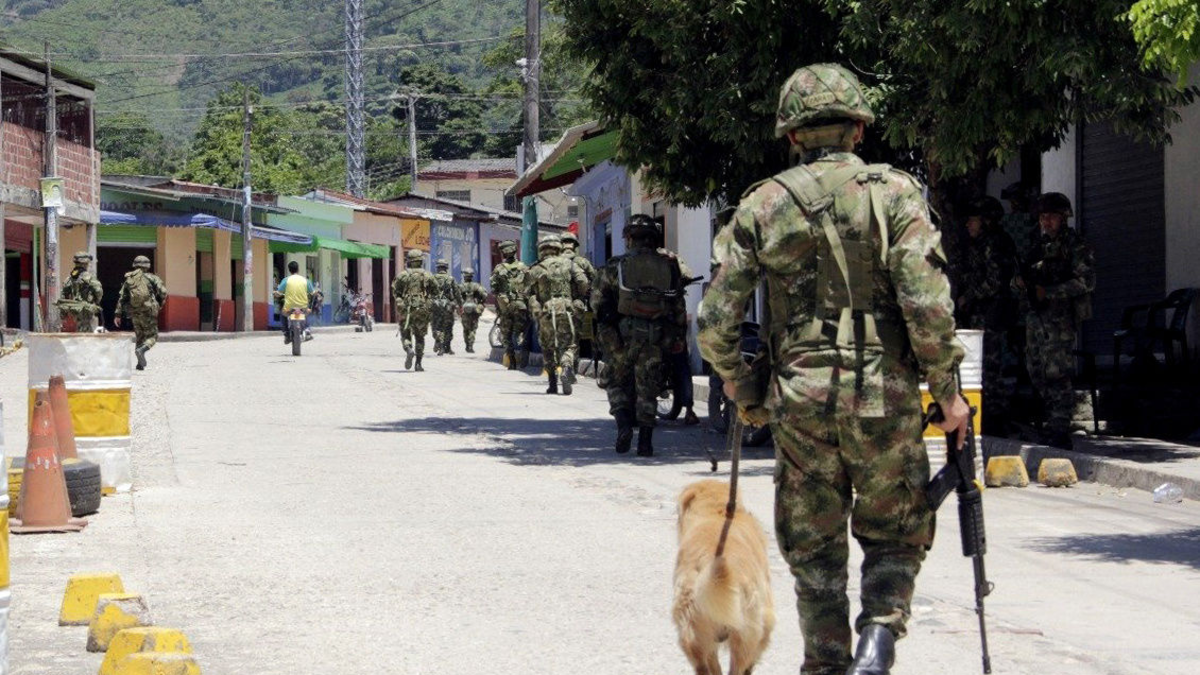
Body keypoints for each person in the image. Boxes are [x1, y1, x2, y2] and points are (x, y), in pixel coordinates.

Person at [697, 63, 970, 675]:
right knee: (896, 532)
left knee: (815, 551)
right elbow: (927, 304)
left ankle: (826, 664)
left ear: (793, 135)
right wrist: (948, 391)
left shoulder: (763, 204)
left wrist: (740, 382)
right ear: (858, 130)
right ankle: (878, 639)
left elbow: (714, 320)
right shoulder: (896, 193)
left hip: (800, 399)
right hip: (884, 395)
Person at [592, 215, 688, 456]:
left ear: (629, 238)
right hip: (655, 337)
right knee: (648, 388)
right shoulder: (668, 266)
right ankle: (645, 442)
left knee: (614, 381)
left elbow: (596, 302)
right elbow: (678, 307)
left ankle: (624, 425)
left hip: (620, 337)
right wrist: (678, 337)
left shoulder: (615, 265)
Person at [1012, 192, 1095, 448]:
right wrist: (1019, 283)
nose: (1046, 222)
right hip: (1036, 318)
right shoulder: (1037, 247)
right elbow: (1021, 278)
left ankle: (1060, 428)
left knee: (1057, 373)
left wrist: (1049, 292)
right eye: (1042, 217)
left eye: (1051, 217)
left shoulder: (1075, 245)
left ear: (1063, 217)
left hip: (1059, 319)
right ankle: (1051, 421)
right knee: (1036, 370)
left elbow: (1086, 282)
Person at [952, 196, 1018, 432]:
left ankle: (995, 417)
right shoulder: (978, 244)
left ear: (986, 221)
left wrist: (968, 297)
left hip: (991, 313)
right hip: (981, 313)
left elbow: (995, 281)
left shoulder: (994, 244)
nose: (969, 224)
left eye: (974, 220)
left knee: (989, 366)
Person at [526, 236, 589, 396]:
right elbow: (583, 282)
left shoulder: (537, 268)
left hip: (546, 311)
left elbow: (525, 289)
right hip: (566, 309)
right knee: (568, 344)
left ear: (542, 250)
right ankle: (566, 367)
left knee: (548, 347)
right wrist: (577, 297)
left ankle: (552, 384)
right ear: (558, 248)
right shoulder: (570, 264)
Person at [114, 255, 167, 370]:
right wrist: (159, 303)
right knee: (153, 336)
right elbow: (163, 292)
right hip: (149, 311)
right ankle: (142, 350)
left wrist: (118, 314)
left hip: (134, 311)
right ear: (147, 266)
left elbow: (122, 298)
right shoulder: (152, 278)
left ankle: (140, 364)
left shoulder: (129, 279)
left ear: (135, 265)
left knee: (139, 336)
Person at [392, 250, 436, 372]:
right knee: (420, 336)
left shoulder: (402, 275)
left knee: (405, 333)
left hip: (406, 309)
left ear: (409, 262)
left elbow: (395, 292)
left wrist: (400, 303)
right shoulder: (428, 275)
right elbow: (436, 292)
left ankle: (408, 349)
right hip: (422, 309)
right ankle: (418, 364)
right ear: (421, 261)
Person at [490, 240, 531, 369]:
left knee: (506, 334)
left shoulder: (499, 268)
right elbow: (530, 285)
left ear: (503, 253)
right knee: (523, 330)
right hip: (521, 304)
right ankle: (523, 355)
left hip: (506, 306)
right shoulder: (524, 267)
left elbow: (493, 288)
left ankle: (512, 360)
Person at [558, 231, 596, 366]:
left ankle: (560, 364)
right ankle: (571, 366)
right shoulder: (582, 262)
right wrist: (584, 294)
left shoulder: (553, 262)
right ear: (574, 246)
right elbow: (593, 279)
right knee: (574, 336)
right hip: (576, 304)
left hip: (557, 304)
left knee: (559, 335)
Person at [58, 251, 103, 332]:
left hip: (75, 308)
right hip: (86, 308)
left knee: (80, 326)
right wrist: (96, 302)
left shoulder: (71, 278)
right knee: (86, 330)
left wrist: (64, 312)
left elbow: (64, 294)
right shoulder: (89, 277)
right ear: (85, 263)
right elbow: (98, 291)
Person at [274, 261, 313, 345]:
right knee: (307, 312)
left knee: (282, 314)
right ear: (298, 269)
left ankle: (286, 334)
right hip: (303, 306)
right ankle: (307, 330)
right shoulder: (305, 280)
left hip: (289, 307)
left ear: (289, 270)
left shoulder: (286, 280)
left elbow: (279, 293)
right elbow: (312, 292)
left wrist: (275, 293)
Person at [431, 259, 462, 355]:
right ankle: (446, 347)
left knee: (436, 326)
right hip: (448, 306)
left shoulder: (432, 278)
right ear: (446, 268)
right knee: (448, 326)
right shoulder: (450, 279)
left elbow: (427, 292)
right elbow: (457, 293)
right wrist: (460, 305)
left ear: (437, 268)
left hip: (435, 306)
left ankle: (440, 343)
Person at [458, 268, 487, 353]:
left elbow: (456, 297)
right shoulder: (476, 286)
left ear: (464, 276)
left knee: (466, 328)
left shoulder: (460, 286)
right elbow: (484, 294)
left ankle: (467, 345)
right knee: (472, 329)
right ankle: (470, 345)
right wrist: (480, 301)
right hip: (474, 308)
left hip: (464, 309)